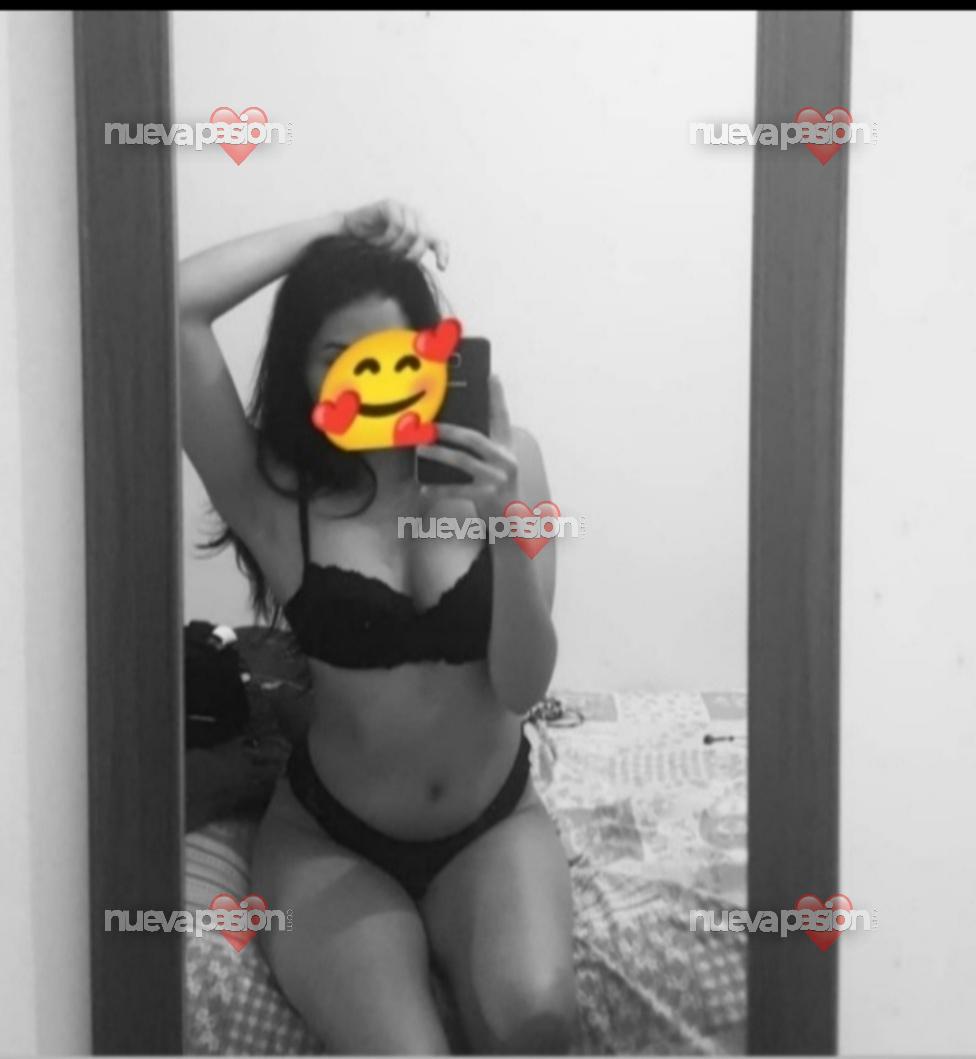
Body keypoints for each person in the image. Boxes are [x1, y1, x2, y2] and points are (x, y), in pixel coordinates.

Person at [179, 200, 576, 1054]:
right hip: (333, 842)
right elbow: (172, 306)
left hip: (493, 823)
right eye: (339, 359)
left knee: (539, 1021)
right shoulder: (273, 494)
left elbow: (524, 685)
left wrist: (505, 521)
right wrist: (330, 228)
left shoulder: (511, 461)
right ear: (301, 368)